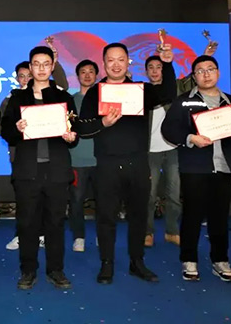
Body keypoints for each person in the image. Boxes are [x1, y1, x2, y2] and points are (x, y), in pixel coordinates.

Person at [76, 43, 176, 285]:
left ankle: (137, 262)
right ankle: (106, 263)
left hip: (138, 162)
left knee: (138, 215)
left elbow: (167, 94)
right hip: (107, 164)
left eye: (121, 59)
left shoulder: (140, 90)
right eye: (111, 60)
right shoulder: (95, 92)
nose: (116, 64)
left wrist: (168, 64)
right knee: (106, 216)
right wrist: (103, 123)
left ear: (128, 62)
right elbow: (81, 128)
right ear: (104, 63)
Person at [1, 46, 78, 291]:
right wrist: (17, 128)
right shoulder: (17, 97)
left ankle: (56, 269)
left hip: (56, 170)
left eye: (46, 63)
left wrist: (71, 137)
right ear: (30, 67)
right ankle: (28, 270)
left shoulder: (64, 97)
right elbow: (6, 131)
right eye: (36, 64)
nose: (41, 68)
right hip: (27, 171)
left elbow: (74, 131)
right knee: (27, 223)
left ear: (52, 66)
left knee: (56, 222)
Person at [162, 55, 231, 282]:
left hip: (225, 168)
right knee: (192, 216)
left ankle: (220, 260)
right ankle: (189, 259)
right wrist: (191, 138)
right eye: (200, 71)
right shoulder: (184, 101)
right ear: (194, 76)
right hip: (195, 167)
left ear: (218, 73)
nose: (206, 74)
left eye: (210, 69)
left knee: (220, 217)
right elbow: (169, 129)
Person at [0, 59, 68, 251]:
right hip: (21, 157)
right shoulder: (13, 98)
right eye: (21, 76)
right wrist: (17, 131)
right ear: (17, 78)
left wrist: (56, 63)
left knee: (50, 204)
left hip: (51, 159)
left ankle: (44, 236)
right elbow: (2, 126)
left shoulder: (54, 95)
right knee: (25, 204)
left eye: (28, 76)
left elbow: (63, 87)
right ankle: (21, 236)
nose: (25, 79)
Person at [144, 55, 181, 248]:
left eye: (158, 67)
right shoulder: (142, 93)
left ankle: (172, 231)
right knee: (150, 196)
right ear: (146, 71)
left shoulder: (172, 91)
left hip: (172, 149)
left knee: (174, 194)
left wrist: (168, 63)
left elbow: (188, 80)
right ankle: (148, 232)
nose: (154, 70)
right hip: (150, 151)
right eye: (150, 67)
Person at [68, 59, 99, 253]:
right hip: (76, 160)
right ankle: (78, 236)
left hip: (101, 160)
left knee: (103, 201)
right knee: (76, 201)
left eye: (91, 72)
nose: (87, 75)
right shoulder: (71, 101)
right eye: (83, 72)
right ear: (78, 76)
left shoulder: (103, 100)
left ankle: (101, 235)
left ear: (96, 75)